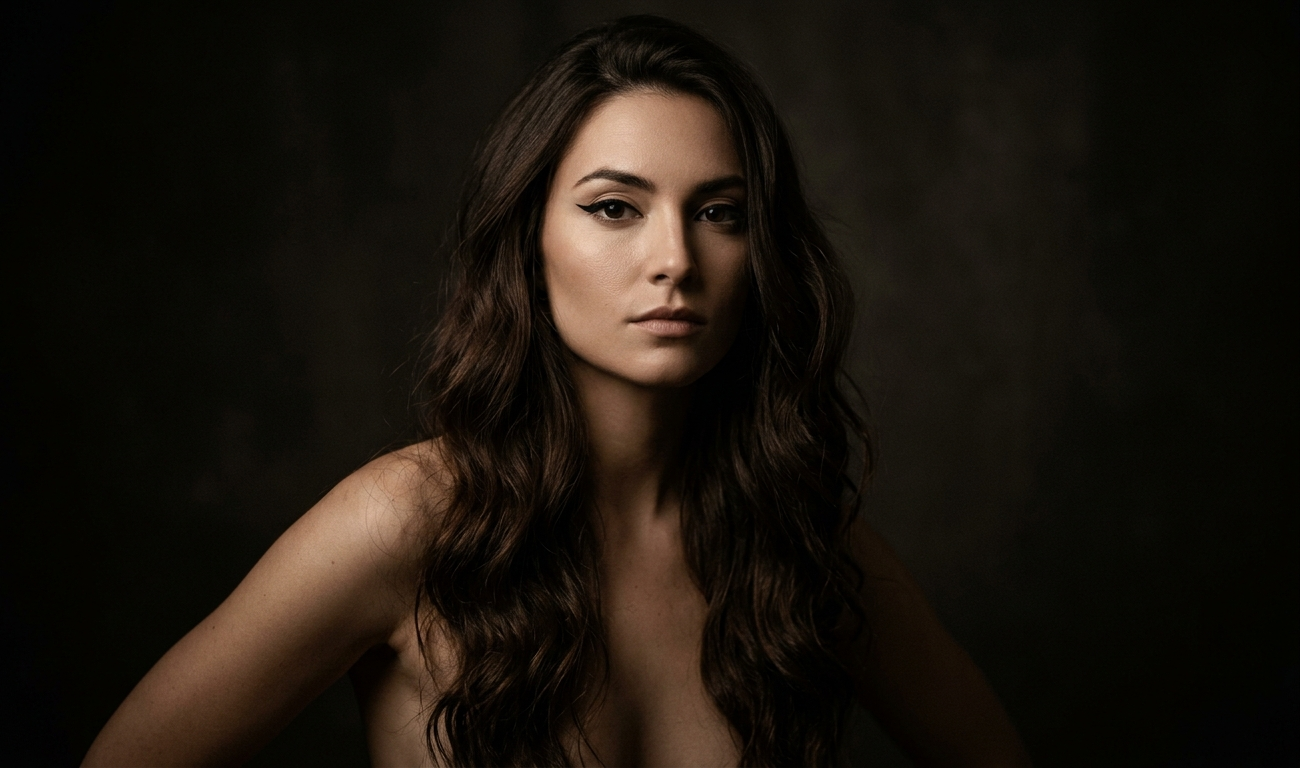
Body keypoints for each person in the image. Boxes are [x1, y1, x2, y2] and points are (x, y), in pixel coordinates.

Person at [83, 15, 1029, 768]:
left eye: (720, 213)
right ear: (528, 242)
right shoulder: (405, 524)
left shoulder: (798, 536)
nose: (674, 260)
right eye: (614, 209)